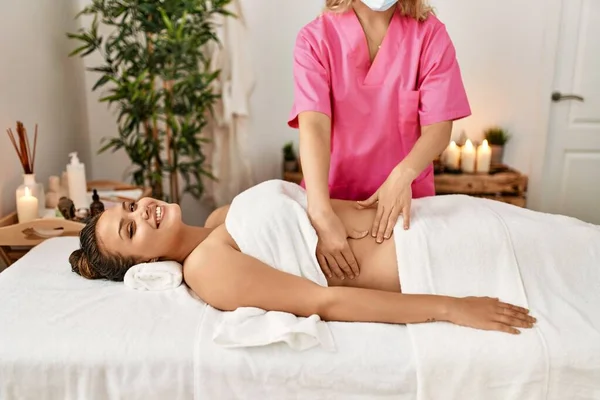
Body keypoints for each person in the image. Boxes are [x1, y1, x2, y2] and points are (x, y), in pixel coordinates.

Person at [69, 180, 535, 335]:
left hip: (440, 216)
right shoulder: (207, 268)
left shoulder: (219, 218)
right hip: (433, 256)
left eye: (128, 208)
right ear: (145, 267)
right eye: (131, 230)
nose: (141, 212)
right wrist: (450, 308)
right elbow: (325, 302)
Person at [288, 0, 471, 280]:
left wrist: (403, 175)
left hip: (404, 209)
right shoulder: (316, 39)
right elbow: (314, 127)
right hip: (331, 201)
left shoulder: (429, 35)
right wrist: (321, 213)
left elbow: (439, 128)